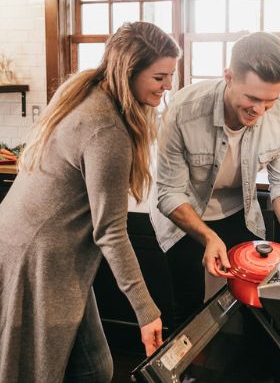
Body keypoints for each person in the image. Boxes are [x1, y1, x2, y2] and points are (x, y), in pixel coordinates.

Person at [0, 21, 182, 383]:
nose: (167, 86)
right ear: (129, 70)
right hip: (41, 258)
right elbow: (111, 232)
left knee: (92, 368)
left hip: (23, 241)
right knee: (81, 370)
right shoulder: (107, 128)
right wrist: (147, 313)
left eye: (170, 76)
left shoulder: (86, 89)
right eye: (159, 77)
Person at [150, 31, 280, 329]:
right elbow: (169, 192)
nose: (259, 110)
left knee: (255, 304)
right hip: (184, 215)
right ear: (229, 76)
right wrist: (208, 237)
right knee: (189, 308)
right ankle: (187, 375)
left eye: (269, 101)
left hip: (239, 211)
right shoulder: (183, 110)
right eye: (252, 98)